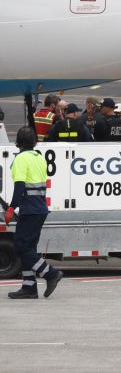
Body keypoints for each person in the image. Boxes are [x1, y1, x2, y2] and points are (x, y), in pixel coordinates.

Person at [6, 126, 62, 299]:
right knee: (29, 248)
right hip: (40, 208)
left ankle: (50, 273)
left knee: (21, 247)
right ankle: (29, 287)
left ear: (18, 142)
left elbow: (20, 186)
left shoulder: (21, 159)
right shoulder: (39, 157)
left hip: (29, 208)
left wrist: (11, 207)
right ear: (34, 142)